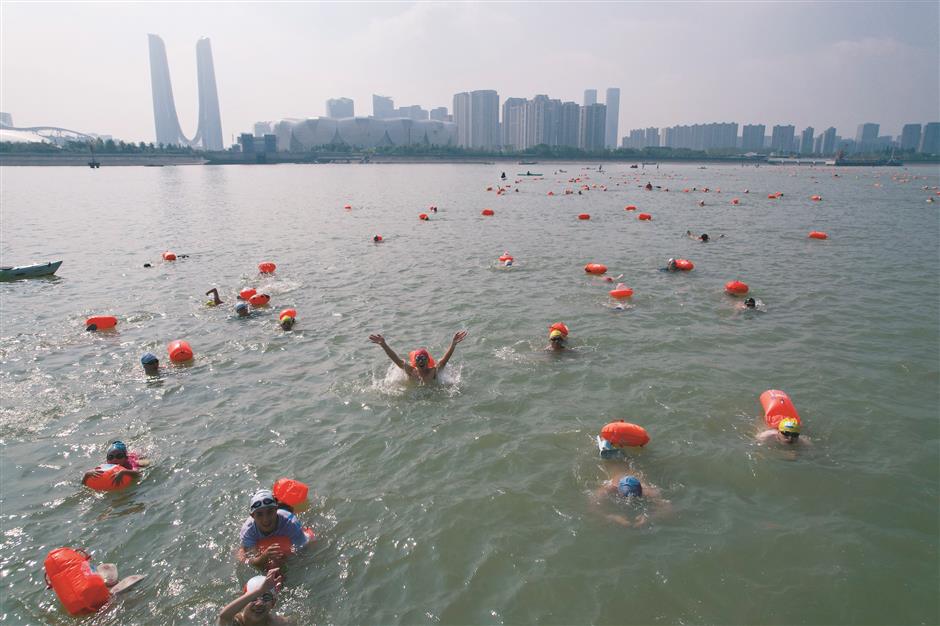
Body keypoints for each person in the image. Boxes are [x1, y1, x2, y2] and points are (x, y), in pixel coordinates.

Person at [237, 490, 310, 571]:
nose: (265, 519)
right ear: (252, 516)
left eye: (270, 512)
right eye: (259, 514)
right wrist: (264, 556)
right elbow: (253, 561)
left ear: (276, 510)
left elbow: (303, 550)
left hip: (285, 513)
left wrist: (287, 557)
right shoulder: (248, 530)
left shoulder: (290, 523)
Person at [368, 330, 468, 384]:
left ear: (427, 361)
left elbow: (445, 360)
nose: (421, 361)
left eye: (423, 359)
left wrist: (453, 344)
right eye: (418, 359)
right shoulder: (412, 371)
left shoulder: (433, 371)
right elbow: (396, 360)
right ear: (415, 362)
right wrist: (384, 345)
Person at [593, 471, 670, 528]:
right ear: (618, 490)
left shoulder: (649, 492)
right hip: (616, 469)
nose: (630, 500)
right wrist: (613, 517)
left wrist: (649, 517)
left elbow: (668, 509)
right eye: (625, 497)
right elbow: (592, 508)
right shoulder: (609, 488)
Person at [218, 568, 287, 625]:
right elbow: (224, 616)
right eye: (253, 598)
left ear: (273, 603)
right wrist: (260, 591)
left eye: (266, 598)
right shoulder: (236, 622)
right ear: (244, 601)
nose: (259, 603)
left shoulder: (279, 623)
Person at [82, 441, 149, 487]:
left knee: (146, 463)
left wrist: (124, 471)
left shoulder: (130, 464)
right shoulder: (105, 468)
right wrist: (87, 475)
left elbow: (138, 474)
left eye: (119, 456)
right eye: (110, 457)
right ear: (107, 460)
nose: (114, 459)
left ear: (125, 458)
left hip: (133, 459)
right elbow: (84, 484)